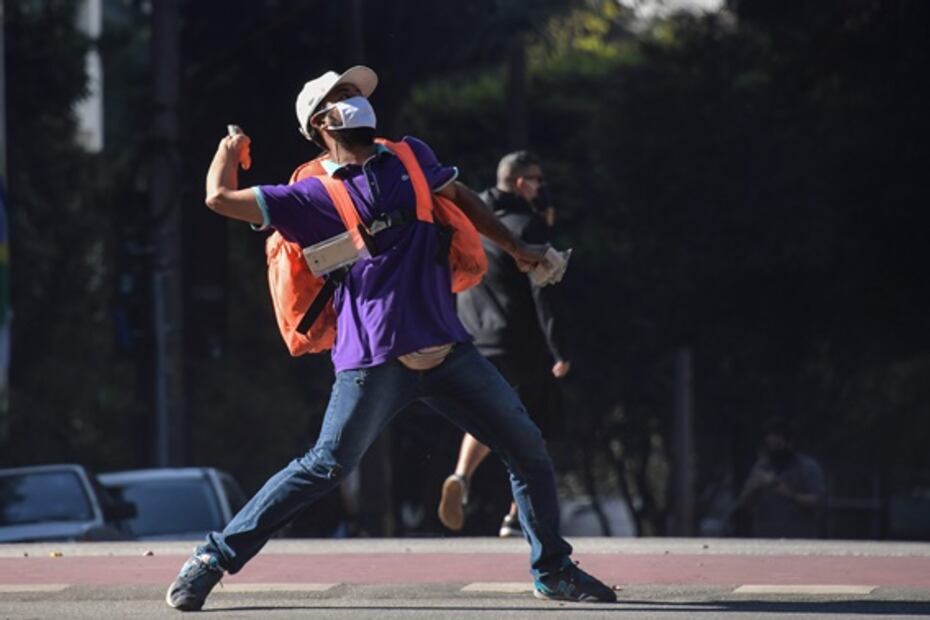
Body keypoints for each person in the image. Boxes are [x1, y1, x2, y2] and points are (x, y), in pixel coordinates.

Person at [165, 66, 616, 611]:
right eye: (344, 96)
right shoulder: (307, 196)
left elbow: (467, 198)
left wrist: (517, 250)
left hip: (448, 349)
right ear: (321, 122)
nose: (358, 100)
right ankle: (211, 558)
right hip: (374, 361)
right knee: (324, 467)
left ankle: (553, 570)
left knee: (529, 450)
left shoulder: (410, 156)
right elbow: (218, 198)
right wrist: (229, 148)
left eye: (358, 92)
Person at [437, 151, 572, 538]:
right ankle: (517, 515)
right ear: (519, 183)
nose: (542, 187)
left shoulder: (472, 220)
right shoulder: (525, 226)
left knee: (488, 416)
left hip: (470, 335)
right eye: (537, 180)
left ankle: (462, 476)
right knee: (530, 427)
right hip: (520, 342)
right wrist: (559, 348)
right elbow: (544, 288)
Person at [732, 416, 827, 538]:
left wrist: (788, 493)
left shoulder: (807, 467)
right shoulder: (761, 466)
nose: (773, 449)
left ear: (789, 442)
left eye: (778, 444)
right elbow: (743, 505)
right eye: (770, 445)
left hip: (799, 538)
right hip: (765, 537)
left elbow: (819, 501)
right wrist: (753, 488)